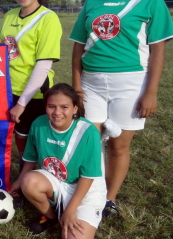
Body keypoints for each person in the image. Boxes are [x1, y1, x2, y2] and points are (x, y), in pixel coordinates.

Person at [70, 0, 173, 218]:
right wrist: (77, 86)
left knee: (118, 145)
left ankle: (109, 198)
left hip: (130, 83)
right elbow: (78, 47)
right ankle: (88, 193)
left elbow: (158, 50)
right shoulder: (92, 2)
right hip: (91, 82)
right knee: (89, 141)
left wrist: (151, 92)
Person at [10, 83, 106, 238]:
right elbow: (30, 160)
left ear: (75, 109)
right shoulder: (39, 124)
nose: (57, 112)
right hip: (56, 181)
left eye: (64, 107)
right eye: (51, 106)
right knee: (28, 181)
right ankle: (52, 217)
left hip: (86, 190)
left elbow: (88, 177)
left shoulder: (88, 132)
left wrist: (71, 209)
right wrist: (18, 183)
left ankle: (69, 212)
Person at [0, 0, 62, 181]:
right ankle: (23, 178)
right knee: (19, 139)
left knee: (35, 142)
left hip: (33, 94)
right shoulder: (8, 15)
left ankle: (32, 183)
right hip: (8, 90)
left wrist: (22, 103)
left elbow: (43, 66)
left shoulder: (48, 19)